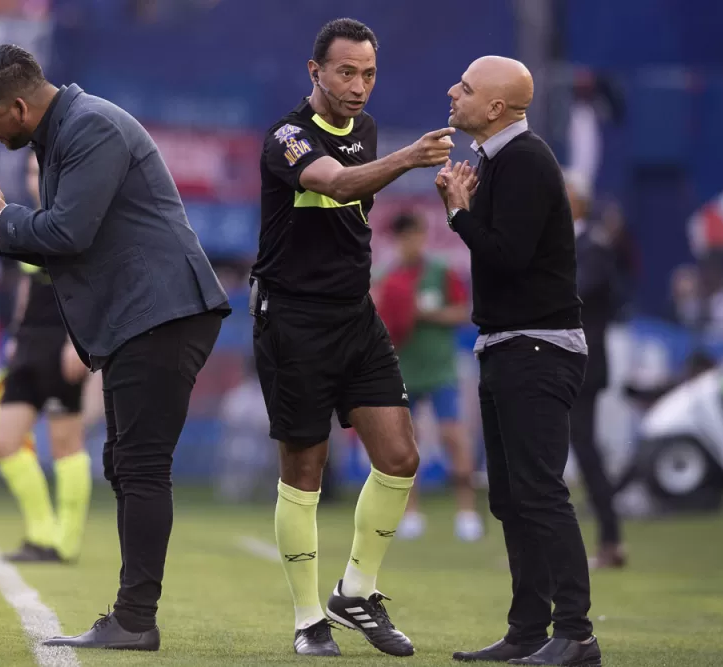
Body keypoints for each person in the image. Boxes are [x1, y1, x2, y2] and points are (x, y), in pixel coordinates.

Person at [0, 44, 231, 651]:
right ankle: (132, 615)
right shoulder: (63, 134)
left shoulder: (90, 126)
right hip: (142, 317)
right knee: (126, 465)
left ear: (19, 106)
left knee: (142, 467)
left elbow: (69, 234)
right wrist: (3, 221)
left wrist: (3, 218)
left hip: (160, 313)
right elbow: (60, 244)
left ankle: (135, 619)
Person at [250, 17, 456, 657]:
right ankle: (309, 620)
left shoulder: (363, 130)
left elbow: (353, 197)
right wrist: (411, 158)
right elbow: (334, 183)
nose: (359, 85)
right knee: (304, 471)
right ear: (315, 72)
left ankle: (356, 593)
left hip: (354, 317)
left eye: (368, 73)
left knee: (400, 457)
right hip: (292, 319)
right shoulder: (286, 137)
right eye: (346, 71)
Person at [439, 56, 602, 666]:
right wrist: (463, 205)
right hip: (509, 344)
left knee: (538, 491)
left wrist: (458, 213)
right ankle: (529, 629)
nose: (454, 91)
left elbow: (506, 257)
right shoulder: (497, 159)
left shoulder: (527, 161)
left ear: (497, 108)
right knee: (511, 496)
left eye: (467, 86)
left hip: (537, 347)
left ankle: (577, 633)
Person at [0, 151, 92, 564]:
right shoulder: (31, 220)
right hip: (30, 344)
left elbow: (92, 288)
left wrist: (80, 342)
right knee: (4, 442)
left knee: (66, 443)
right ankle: (41, 533)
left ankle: (63, 542)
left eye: (42, 171)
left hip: (63, 343)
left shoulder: (78, 220)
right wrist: (16, 334)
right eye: (31, 172)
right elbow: (28, 285)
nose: (36, 179)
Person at [378, 211, 482, 543]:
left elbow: (463, 312)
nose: (409, 242)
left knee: (453, 437)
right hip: (402, 371)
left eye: (414, 235)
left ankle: (467, 512)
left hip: (440, 371)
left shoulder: (440, 272)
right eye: (402, 237)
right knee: (407, 446)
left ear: (423, 235)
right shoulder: (387, 277)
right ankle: (411, 514)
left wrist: (424, 313)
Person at [564, 169, 626, 569]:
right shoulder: (566, 244)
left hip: (583, 363)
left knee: (584, 451)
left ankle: (611, 540)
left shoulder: (593, 247)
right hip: (560, 359)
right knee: (565, 452)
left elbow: (577, 293)